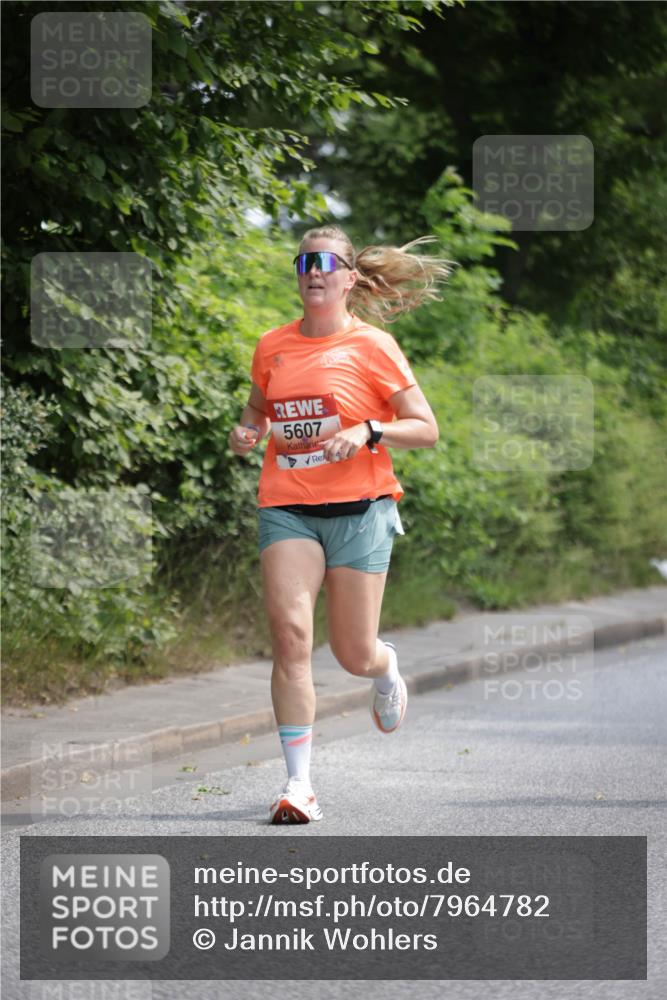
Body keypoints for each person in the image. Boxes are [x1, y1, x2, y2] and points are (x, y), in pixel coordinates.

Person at [228, 224, 454, 824]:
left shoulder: (374, 346)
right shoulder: (272, 345)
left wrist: (369, 430)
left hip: (361, 510)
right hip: (288, 509)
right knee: (291, 638)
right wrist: (246, 433)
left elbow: (426, 428)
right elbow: (257, 412)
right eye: (304, 262)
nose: (314, 271)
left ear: (349, 278)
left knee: (353, 654)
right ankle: (298, 785)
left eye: (326, 262)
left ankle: (386, 667)